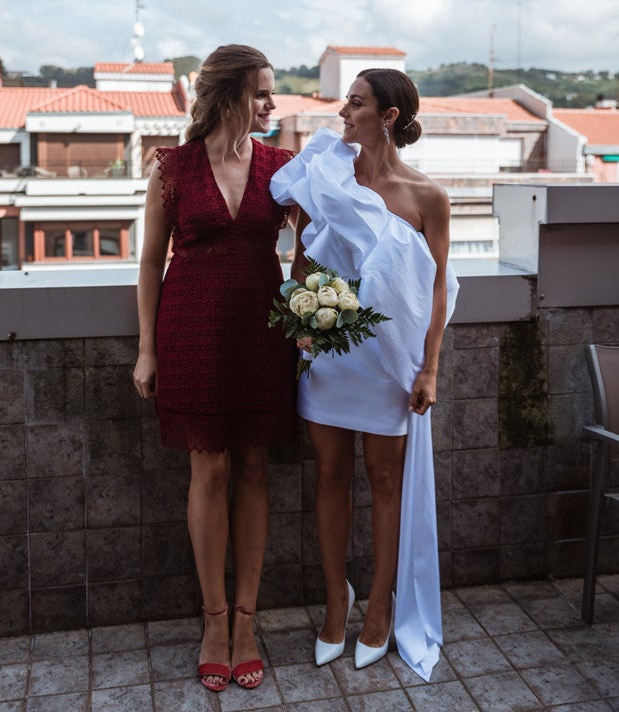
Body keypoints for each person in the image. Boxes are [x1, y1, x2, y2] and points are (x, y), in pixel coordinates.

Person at [270, 67, 458, 682]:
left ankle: (380, 607)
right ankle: (335, 602)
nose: (344, 112)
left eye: (355, 103)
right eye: (346, 102)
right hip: (328, 355)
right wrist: (301, 320)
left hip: (389, 363)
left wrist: (429, 369)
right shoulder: (325, 179)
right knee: (328, 473)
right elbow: (300, 263)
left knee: (383, 480)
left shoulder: (427, 197)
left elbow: (435, 292)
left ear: (389, 116)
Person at [133, 44, 297, 693]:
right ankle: (213, 619)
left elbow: (313, 248)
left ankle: (248, 621)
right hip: (192, 330)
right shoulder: (171, 168)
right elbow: (149, 262)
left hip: (262, 331)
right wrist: (146, 348)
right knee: (211, 468)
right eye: (261, 93)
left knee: (254, 465)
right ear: (229, 95)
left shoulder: (283, 167)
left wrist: (312, 316)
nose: (272, 105)